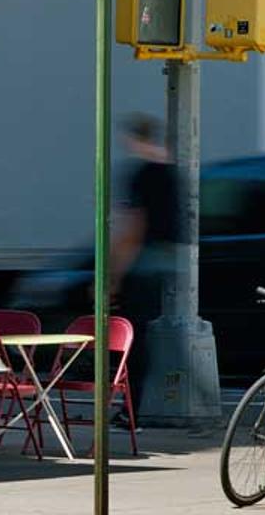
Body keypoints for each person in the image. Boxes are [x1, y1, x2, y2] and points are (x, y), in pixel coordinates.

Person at [112, 114, 178, 402]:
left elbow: (133, 228)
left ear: (133, 138)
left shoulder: (140, 173)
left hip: (143, 262)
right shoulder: (171, 170)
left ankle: (133, 406)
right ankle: (152, 400)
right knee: (153, 337)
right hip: (166, 258)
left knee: (133, 338)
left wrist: (114, 277)